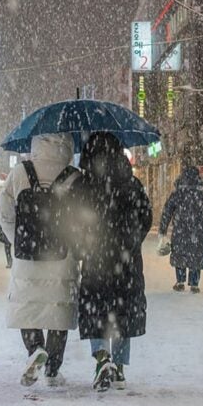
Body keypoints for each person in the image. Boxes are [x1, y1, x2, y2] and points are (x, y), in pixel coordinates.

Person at [69, 132, 152, 392]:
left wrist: (82, 246)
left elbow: (71, 221)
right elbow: (146, 217)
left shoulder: (82, 185)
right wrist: (133, 241)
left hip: (96, 258)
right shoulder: (132, 183)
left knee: (96, 308)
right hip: (126, 260)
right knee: (123, 310)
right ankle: (120, 367)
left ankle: (102, 357)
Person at [0, 134, 80, 387]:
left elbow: (4, 209)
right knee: (58, 310)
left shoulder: (20, 172)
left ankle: (35, 348)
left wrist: (17, 240)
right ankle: (53, 370)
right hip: (61, 255)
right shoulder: (74, 175)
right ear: (67, 146)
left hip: (27, 255)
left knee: (28, 307)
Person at [157, 166, 203, 293]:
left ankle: (180, 282)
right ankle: (194, 284)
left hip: (180, 229)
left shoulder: (177, 193)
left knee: (180, 254)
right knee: (196, 255)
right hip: (198, 230)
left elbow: (167, 211)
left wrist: (163, 229)